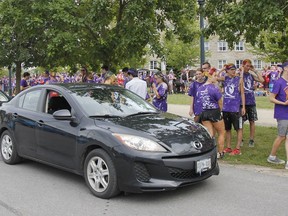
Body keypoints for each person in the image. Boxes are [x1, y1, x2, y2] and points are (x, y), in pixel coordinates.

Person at [218, 64, 246, 155]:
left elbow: (242, 94)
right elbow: (215, 77)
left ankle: (237, 148)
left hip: (236, 108)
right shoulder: (225, 78)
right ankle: (228, 147)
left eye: (234, 69)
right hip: (226, 108)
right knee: (227, 129)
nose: (233, 71)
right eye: (231, 69)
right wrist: (222, 69)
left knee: (238, 128)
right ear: (227, 71)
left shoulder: (239, 79)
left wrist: (244, 107)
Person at [197, 69, 225, 158]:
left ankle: (207, 152)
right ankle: (220, 152)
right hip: (214, 112)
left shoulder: (200, 88)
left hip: (204, 112)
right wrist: (220, 112)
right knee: (221, 132)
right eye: (215, 76)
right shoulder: (214, 88)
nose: (216, 78)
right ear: (210, 77)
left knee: (210, 134)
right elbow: (220, 102)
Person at [267, 61, 288, 168]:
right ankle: (272, 156)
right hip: (282, 113)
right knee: (281, 136)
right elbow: (271, 98)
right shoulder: (279, 82)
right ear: (285, 68)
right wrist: (283, 103)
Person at [241, 59, 264, 147]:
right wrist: (242, 71)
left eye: (249, 66)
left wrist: (255, 71)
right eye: (247, 66)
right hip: (242, 101)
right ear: (243, 66)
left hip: (251, 101)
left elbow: (262, 80)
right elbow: (239, 80)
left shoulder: (251, 75)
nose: (248, 67)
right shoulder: (239, 75)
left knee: (252, 121)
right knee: (241, 121)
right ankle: (241, 138)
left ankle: (251, 139)